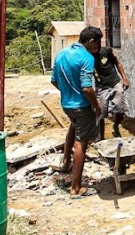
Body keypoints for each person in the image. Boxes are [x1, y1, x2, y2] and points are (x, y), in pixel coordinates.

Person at [50, 26, 103, 196]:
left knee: (73, 127)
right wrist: (96, 106)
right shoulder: (86, 57)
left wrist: (68, 93)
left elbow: (54, 80)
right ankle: (76, 187)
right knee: (81, 143)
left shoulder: (61, 54)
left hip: (67, 105)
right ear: (91, 41)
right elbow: (87, 88)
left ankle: (66, 162)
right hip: (82, 106)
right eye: (98, 43)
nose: (98, 47)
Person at [94, 45, 130, 139]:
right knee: (101, 113)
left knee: (121, 108)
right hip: (101, 87)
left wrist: (124, 78)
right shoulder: (87, 57)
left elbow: (118, 63)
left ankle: (116, 125)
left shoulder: (107, 51)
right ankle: (101, 137)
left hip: (115, 83)